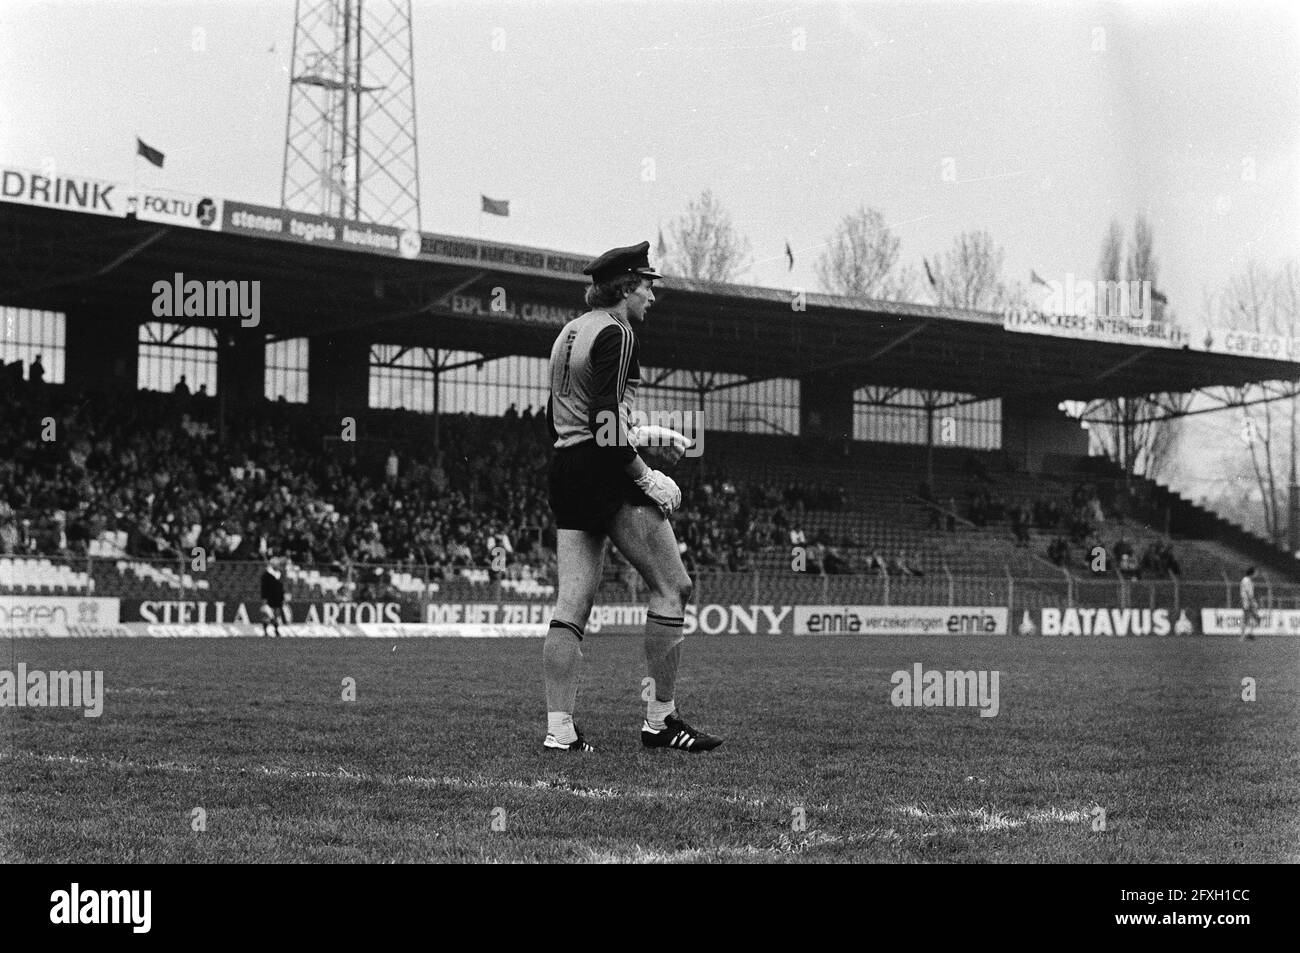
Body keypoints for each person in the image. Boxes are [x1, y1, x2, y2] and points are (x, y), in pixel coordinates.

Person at [540, 240, 721, 753]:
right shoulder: (618, 332)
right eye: (647, 286)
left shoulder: (570, 333)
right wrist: (645, 476)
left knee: (571, 602)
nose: (651, 297)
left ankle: (560, 730)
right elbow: (603, 419)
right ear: (625, 289)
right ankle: (660, 722)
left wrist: (650, 433)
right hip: (603, 470)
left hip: (568, 467)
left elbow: (576, 422)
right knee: (674, 586)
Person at [260, 555, 289, 638]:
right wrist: (264, 599)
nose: (278, 565)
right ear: (272, 564)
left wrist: (282, 597)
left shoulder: (279, 574)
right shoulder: (266, 575)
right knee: (267, 615)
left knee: (276, 615)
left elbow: (281, 587)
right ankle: (265, 631)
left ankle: (276, 630)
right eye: (276, 564)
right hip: (269, 598)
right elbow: (264, 588)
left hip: (277, 598)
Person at [1240, 566, 1261, 641]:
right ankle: (1242, 636)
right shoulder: (1246, 580)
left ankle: (1250, 634)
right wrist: (1253, 602)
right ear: (1252, 573)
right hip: (1247, 602)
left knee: (1256, 618)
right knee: (1246, 619)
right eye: (1256, 572)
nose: (1257, 574)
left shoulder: (1249, 580)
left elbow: (1250, 592)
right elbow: (1248, 592)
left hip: (1249, 601)